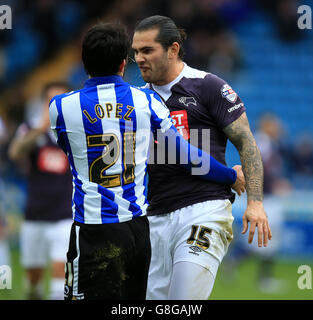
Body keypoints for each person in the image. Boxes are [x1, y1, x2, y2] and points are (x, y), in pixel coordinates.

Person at [49, 22, 245, 300]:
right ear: (122, 64)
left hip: (92, 230)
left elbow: (66, 147)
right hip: (137, 230)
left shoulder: (60, 107)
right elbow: (187, 156)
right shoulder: (147, 100)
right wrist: (230, 175)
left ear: (84, 63)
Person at [132, 15, 272, 300]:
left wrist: (255, 202)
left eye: (147, 51)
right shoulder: (136, 100)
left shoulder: (207, 86)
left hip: (203, 210)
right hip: (155, 216)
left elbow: (246, 142)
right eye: (135, 52)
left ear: (172, 49)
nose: (139, 58)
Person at [8, 82, 73, 300]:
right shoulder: (31, 128)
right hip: (35, 215)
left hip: (65, 215)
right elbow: (16, 153)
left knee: (58, 281)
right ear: (44, 103)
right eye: (51, 100)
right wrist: (40, 129)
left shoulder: (75, 132)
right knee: (33, 282)